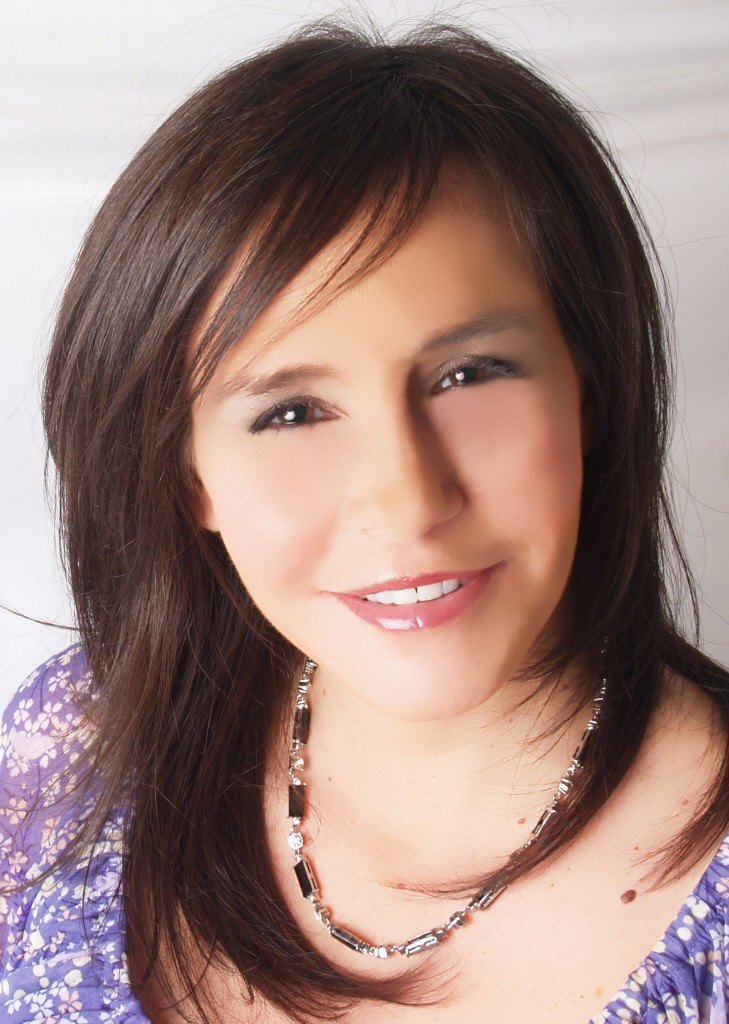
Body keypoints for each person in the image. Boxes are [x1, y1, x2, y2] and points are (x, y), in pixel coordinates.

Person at [1, 15, 728, 1024]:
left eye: (470, 374)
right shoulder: (79, 745)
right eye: (291, 412)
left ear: (588, 393)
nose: (408, 499)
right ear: (185, 474)